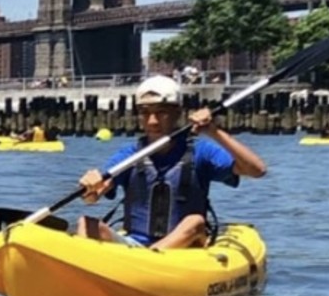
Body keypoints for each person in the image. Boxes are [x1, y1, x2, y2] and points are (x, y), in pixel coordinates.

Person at [76, 74, 267, 250]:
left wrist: (213, 131)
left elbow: (257, 170)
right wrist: (90, 187)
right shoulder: (129, 155)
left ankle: (153, 259)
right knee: (85, 224)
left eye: (161, 112)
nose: (152, 121)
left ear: (177, 113)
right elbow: (94, 196)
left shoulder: (201, 152)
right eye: (145, 113)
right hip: (135, 247)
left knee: (195, 221)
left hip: (187, 247)